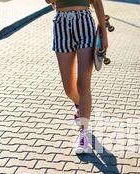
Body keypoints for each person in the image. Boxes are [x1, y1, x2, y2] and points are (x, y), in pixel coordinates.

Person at [46, 0, 108, 154]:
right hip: (61, 24)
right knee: (68, 88)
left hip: (84, 23)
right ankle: (81, 106)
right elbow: (49, 1)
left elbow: (98, 4)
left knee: (83, 85)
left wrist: (104, 35)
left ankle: (83, 133)